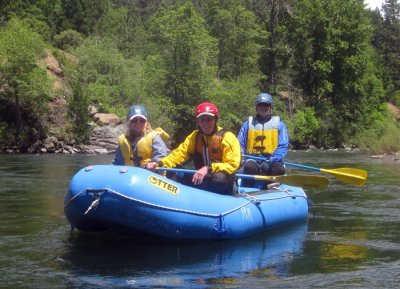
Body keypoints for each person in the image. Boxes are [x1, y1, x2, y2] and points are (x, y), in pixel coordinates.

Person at [146, 102, 241, 195]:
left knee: (218, 179)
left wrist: (208, 168)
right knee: (172, 172)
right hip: (201, 179)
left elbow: (232, 165)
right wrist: (160, 163)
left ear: (215, 120)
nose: (205, 123)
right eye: (202, 120)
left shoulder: (227, 137)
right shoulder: (195, 136)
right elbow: (178, 154)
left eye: (208, 119)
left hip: (222, 182)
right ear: (198, 122)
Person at [237, 93, 289, 185]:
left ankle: (269, 186)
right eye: (260, 105)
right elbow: (239, 143)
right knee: (249, 167)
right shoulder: (247, 124)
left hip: (272, 159)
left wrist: (275, 157)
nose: (263, 107)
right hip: (252, 159)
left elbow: (283, 145)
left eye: (266, 105)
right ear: (256, 107)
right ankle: (249, 187)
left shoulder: (280, 125)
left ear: (270, 107)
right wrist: (240, 155)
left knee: (278, 169)